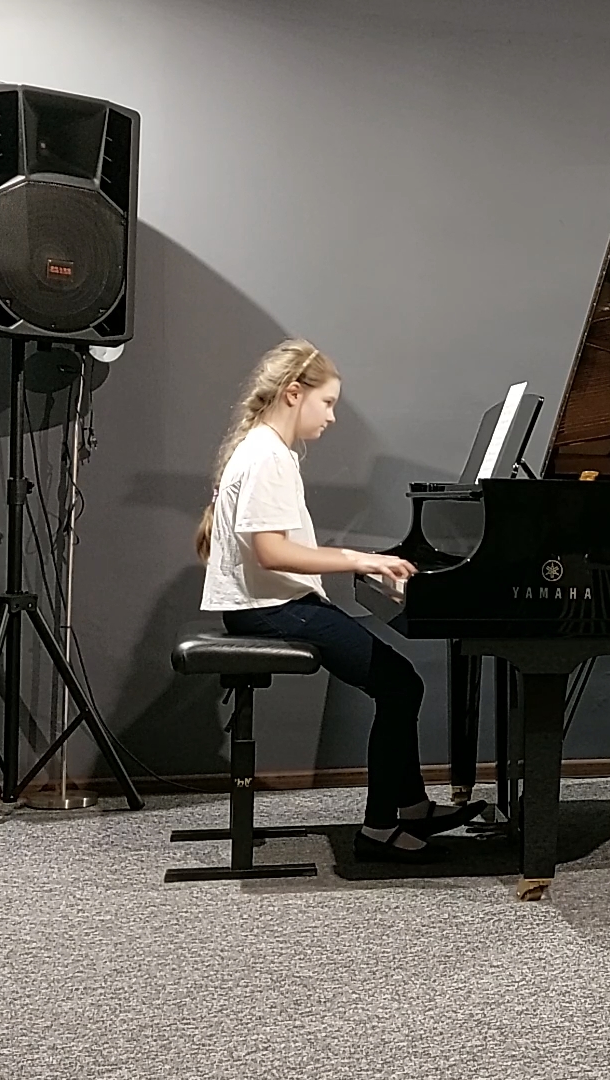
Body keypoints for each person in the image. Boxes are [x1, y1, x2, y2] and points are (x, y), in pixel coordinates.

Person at [195, 338, 481, 862]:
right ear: (293, 393)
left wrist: (361, 560)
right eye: (327, 402)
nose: (331, 416)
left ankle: (413, 808)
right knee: (401, 685)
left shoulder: (264, 449)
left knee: (398, 683)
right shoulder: (267, 456)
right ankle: (378, 829)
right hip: (271, 610)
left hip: (267, 606)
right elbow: (271, 553)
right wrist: (360, 560)